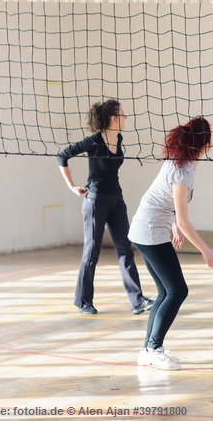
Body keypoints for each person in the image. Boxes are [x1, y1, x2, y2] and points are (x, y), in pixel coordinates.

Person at [130, 116, 213, 371]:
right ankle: (153, 348)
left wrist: (173, 225)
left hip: (147, 228)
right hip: (149, 232)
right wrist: (206, 249)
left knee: (165, 291)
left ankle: (149, 348)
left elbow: (162, 200)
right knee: (177, 290)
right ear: (205, 143)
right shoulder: (181, 172)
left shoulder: (181, 164)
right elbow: (184, 218)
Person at [57, 100, 153, 316]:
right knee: (92, 251)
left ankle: (137, 300)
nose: (126, 118)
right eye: (123, 114)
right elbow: (62, 156)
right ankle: (82, 300)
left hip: (116, 199)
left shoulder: (118, 138)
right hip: (96, 200)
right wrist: (72, 186)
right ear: (113, 118)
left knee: (125, 249)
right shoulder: (94, 141)